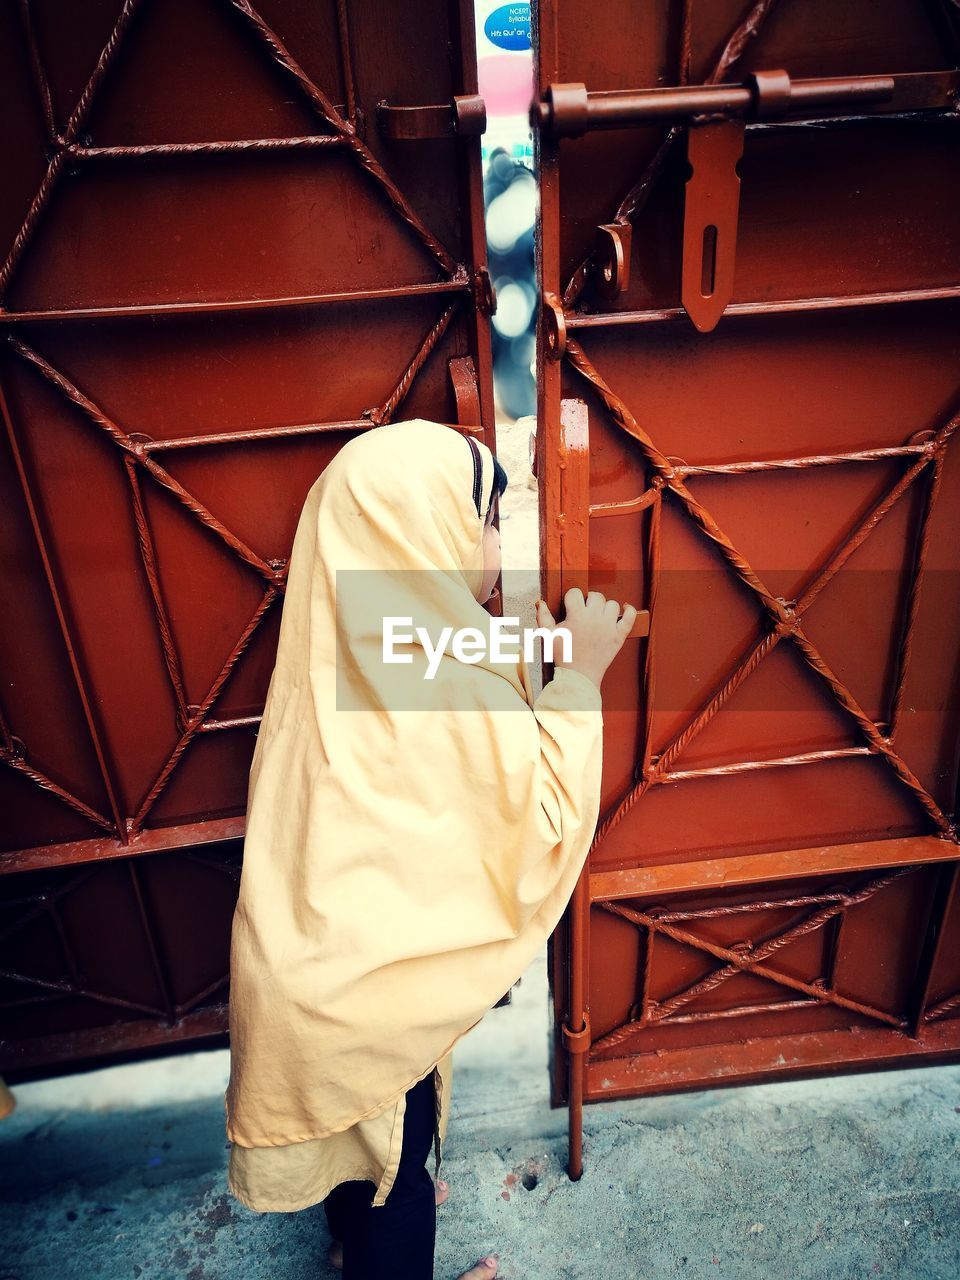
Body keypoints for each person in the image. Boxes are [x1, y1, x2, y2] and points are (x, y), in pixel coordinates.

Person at [223, 419, 636, 1278]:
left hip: (302, 981)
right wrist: (584, 675)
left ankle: (355, 1234)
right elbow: (546, 811)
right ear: (427, 528)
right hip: (367, 1005)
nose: (494, 543)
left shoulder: (336, 644)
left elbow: (443, 649)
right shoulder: (440, 681)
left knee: (364, 1148)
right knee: (400, 1175)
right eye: (487, 519)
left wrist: (545, 646)